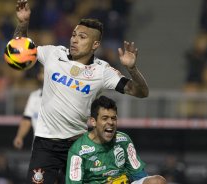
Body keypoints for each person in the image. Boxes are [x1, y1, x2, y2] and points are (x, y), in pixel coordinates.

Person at [13, 0, 149, 183]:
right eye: (74, 35)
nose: (74, 39)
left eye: (82, 37)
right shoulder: (53, 54)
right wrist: (22, 24)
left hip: (78, 146)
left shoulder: (102, 71)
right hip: (45, 144)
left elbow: (140, 92)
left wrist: (132, 69)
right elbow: (19, 52)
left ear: (95, 45)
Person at [66, 96, 166, 184]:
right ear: (93, 121)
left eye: (113, 118)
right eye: (105, 118)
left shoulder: (123, 140)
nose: (111, 122)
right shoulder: (78, 151)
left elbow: (138, 173)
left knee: (157, 181)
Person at [13, 67, 43, 150]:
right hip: (38, 148)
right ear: (39, 76)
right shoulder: (34, 96)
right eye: (43, 73)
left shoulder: (61, 96)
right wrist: (19, 136)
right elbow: (27, 120)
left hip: (59, 147)